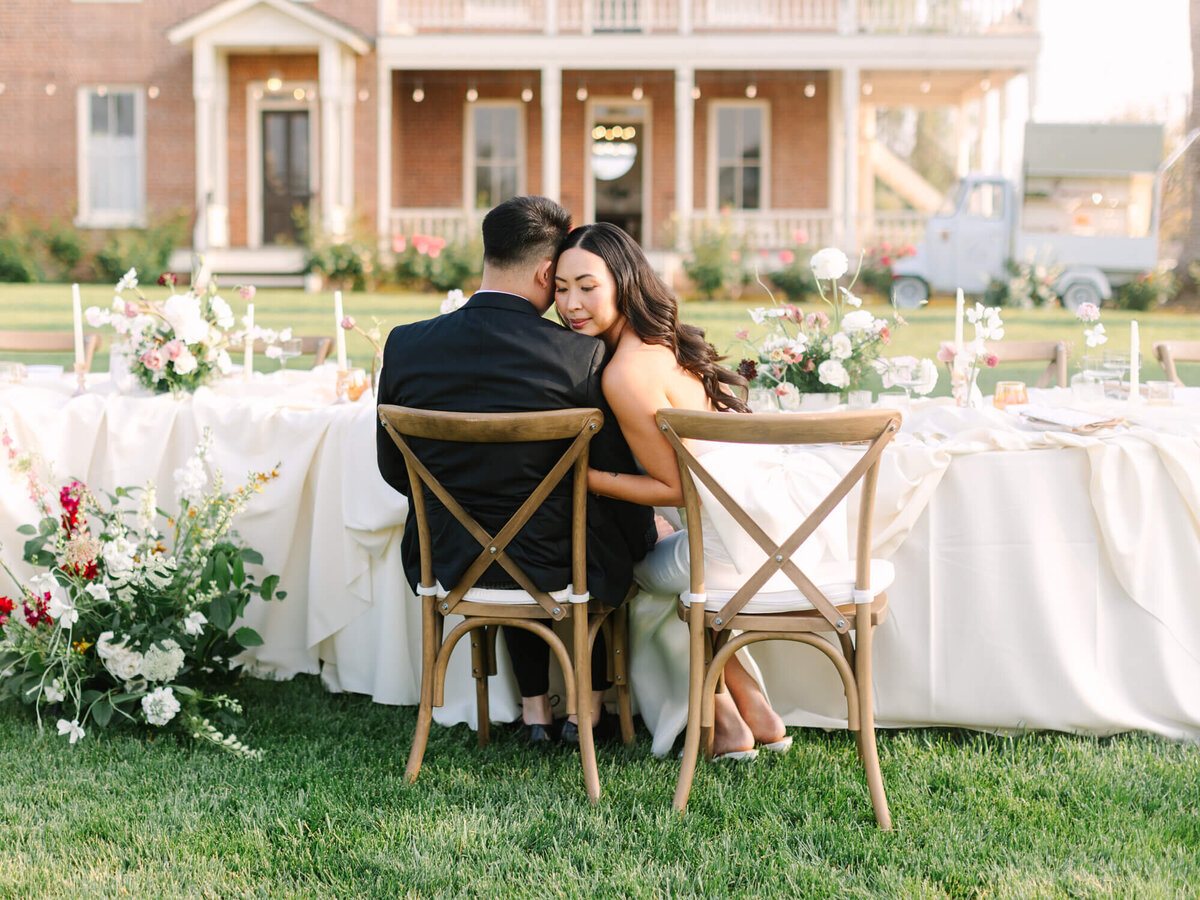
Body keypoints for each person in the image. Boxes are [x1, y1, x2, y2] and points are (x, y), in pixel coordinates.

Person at [376, 197, 656, 745]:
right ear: (547, 273)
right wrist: (647, 536)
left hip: (450, 561)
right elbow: (610, 477)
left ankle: (534, 713)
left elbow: (393, 470)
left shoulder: (405, 345)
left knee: (517, 529)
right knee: (589, 526)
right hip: (564, 564)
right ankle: (587, 711)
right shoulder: (581, 356)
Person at [553, 221, 791, 760]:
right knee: (669, 571)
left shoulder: (624, 372)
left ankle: (727, 722)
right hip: (762, 524)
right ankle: (756, 710)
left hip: (731, 543)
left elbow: (676, 490)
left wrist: (580, 477)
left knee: (637, 580)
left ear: (624, 280)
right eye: (562, 289)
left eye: (587, 286)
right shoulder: (661, 340)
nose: (571, 304)